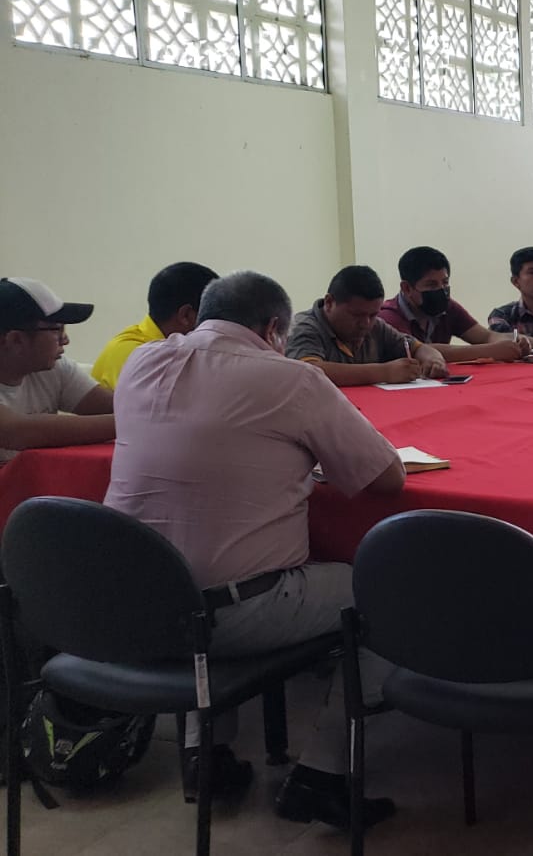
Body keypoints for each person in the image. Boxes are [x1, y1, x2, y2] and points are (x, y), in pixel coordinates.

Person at [104, 271, 403, 828]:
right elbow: (386, 479)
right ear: (273, 330)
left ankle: (206, 756)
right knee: (387, 593)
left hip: (132, 604)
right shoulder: (291, 379)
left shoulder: (140, 363)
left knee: (201, 558)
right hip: (232, 612)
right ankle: (322, 776)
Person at [0, 278, 114, 463]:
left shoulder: (52, 367)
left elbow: (114, 405)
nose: (65, 340)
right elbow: (16, 432)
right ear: (16, 340)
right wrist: (132, 422)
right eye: (57, 330)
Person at [287, 265, 448, 387]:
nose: (366, 323)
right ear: (329, 303)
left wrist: (434, 360)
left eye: (373, 315)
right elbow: (309, 371)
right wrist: (385, 372)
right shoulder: (303, 327)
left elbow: (417, 347)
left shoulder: (377, 326)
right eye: (356, 315)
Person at [377, 246, 530, 362]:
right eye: (431, 285)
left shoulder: (448, 307)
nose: (441, 290)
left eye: (445, 282)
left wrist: (516, 342)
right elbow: (418, 350)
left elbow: (487, 336)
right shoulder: (388, 316)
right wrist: (491, 351)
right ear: (407, 288)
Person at [90, 261, 219, 388]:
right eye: (216, 319)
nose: (219, 328)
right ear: (185, 315)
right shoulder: (135, 354)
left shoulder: (168, 351)